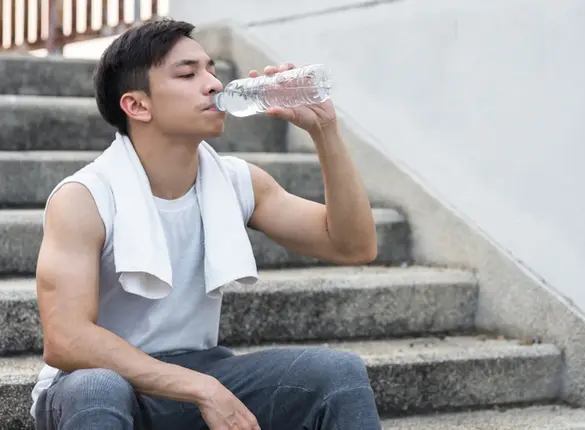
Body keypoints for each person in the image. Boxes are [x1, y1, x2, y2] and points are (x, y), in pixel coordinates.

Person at [30, 18, 381, 430]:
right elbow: (67, 339)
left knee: (336, 374)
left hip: (198, 370)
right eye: (188, 73)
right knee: (97, 388)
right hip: (97, 387)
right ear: (137, 105)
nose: (213, 84)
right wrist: (202, 389)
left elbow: (353, 246)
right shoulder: (84, 197)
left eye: (211, 69)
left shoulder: (236, 181)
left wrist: (325, 131)